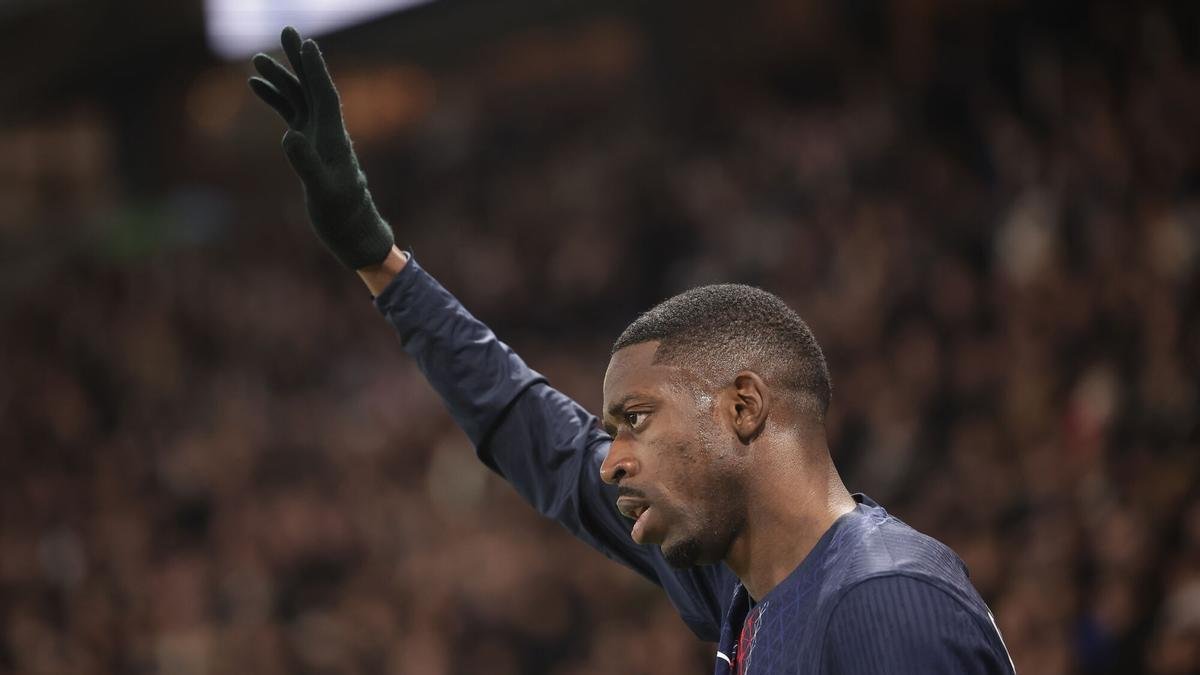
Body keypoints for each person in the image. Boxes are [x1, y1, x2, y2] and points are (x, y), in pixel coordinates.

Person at [248, 27, 1018, 674]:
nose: (612, 459)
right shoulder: (744, 583)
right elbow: (547, 443)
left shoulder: (879, 599)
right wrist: (381, 263)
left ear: (743, 407)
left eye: (636, 420)